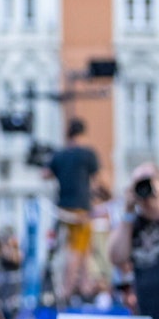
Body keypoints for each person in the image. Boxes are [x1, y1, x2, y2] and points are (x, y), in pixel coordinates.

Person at [108, 164, 159, 319]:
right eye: (139, 185)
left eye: (148, 183)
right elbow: (116, 256)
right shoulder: (132, 224)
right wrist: (127, 212)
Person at [43, 117, 100, 304]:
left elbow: (45, 174)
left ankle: (84, 286)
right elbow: (98, 181)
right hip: (81, 210)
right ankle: (68, 292)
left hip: (62, 208)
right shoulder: (87, 154)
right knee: (77, 250)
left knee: (78, 249)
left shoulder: (60, 155)